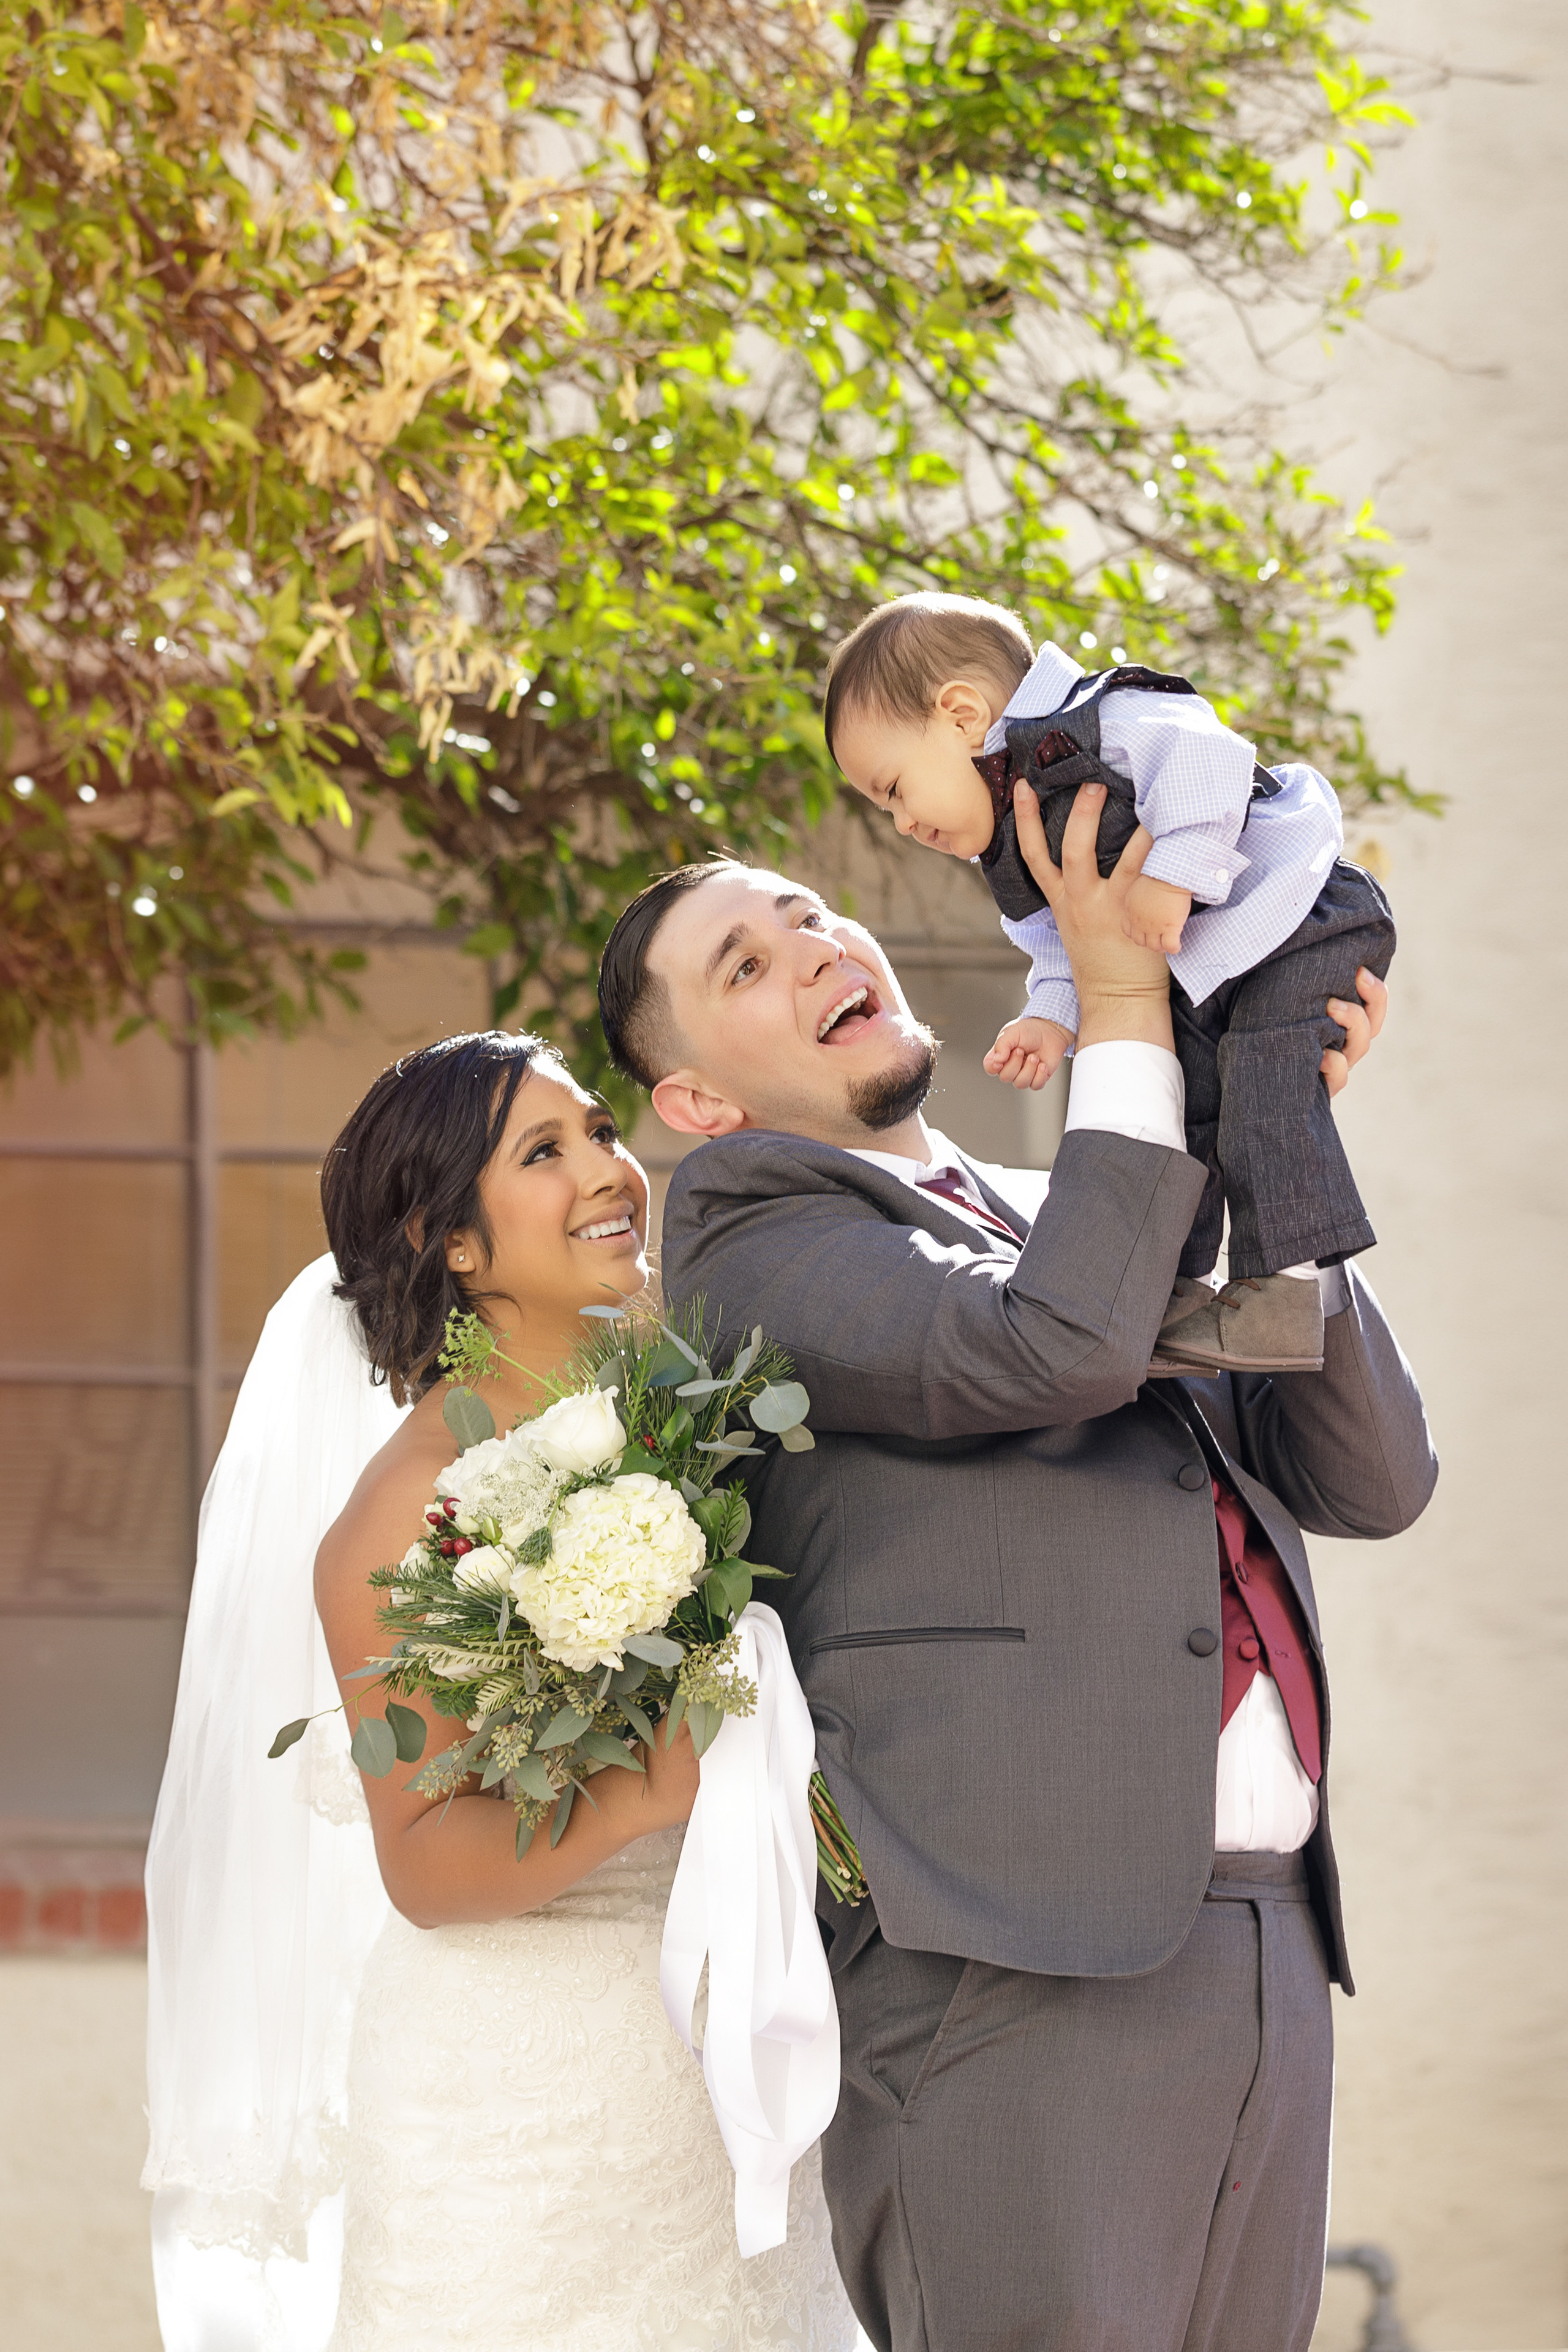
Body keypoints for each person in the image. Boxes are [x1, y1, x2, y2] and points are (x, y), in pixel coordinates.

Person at [594, 793, 1436, 2352]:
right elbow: (1050, 1345)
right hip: (1005, 1966)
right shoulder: (747, 1233)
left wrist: (1276, 1130)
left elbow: (1370, 1480)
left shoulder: (1079, 1210)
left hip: (1264, 1940)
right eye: (744, 962)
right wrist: (1121, 1001)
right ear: (698, 1097)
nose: (813, 946)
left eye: (807, 916)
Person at [141, 1030, 859, 2352]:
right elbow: (424, 1862)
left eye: (601, 1131)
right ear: (453, 1244)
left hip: (735, 2047)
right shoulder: (400, 1517)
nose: (609, 1169)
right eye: (545, 1152)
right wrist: (651, 1785)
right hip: (516, 2106)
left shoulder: (694, 1411)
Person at [823, 591, 1397, 1376]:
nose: (900, 823)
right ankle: (1180, 1286)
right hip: (1220, 965)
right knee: (1194, 1102)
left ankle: (1285, 1293)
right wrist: (1051, 1013)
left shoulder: (1095, 717)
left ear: (961, 715)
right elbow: (1060, 943)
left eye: (893, 789)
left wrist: (1173, 872)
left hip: (1296, 915)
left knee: (1263, 1080)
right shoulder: (1011, 845)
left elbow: (1209, 759)